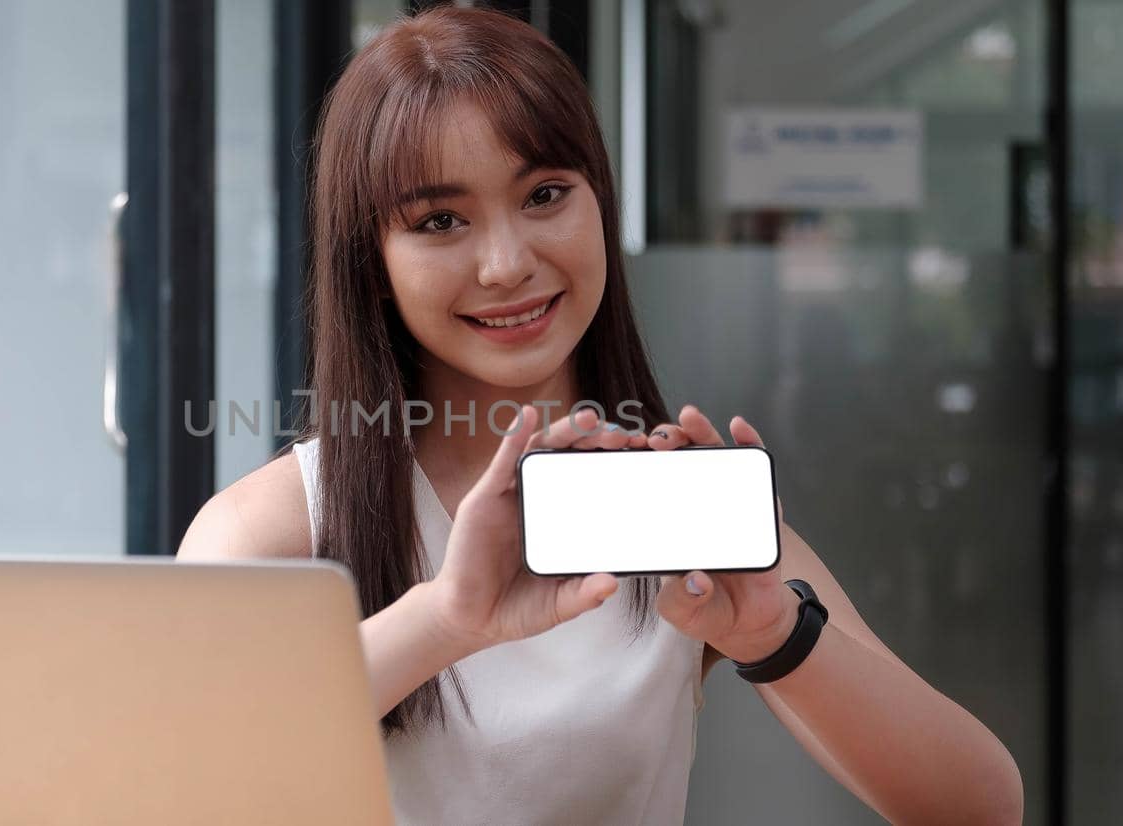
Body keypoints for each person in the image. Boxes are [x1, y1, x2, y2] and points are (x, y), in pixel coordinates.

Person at [178, 6, 1022, 824]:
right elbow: (176, 787)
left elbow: (980, 806)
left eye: (545, 194)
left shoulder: (677, 512)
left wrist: (775, 634)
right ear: (372, 262)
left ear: (601, 207)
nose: (507, 263)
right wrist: (442, 622)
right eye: (440, 220)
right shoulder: (273, 533)